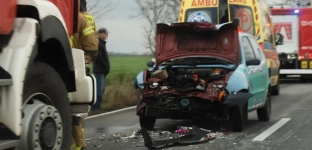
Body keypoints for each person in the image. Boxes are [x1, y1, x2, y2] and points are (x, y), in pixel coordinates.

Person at [69, 4, 98, 150]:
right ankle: (79, 144)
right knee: (76, 112)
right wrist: (84, 62)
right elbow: (92, 46)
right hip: (74, 66)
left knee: (74, 112)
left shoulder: (77, 17)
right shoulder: (85, 18)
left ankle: (78, 145)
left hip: (64, 66)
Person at [92, 28, 111, 110]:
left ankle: (97, 106)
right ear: (100, 34)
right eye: (105, 34)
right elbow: (99, 57)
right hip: (99, 70)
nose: (106, 36)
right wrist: (105, 66)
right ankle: (95, 106)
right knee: (99, 90)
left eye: (106, 34)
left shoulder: (102, 43)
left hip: (102, 71)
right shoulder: (99, 44)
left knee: (101, 90)